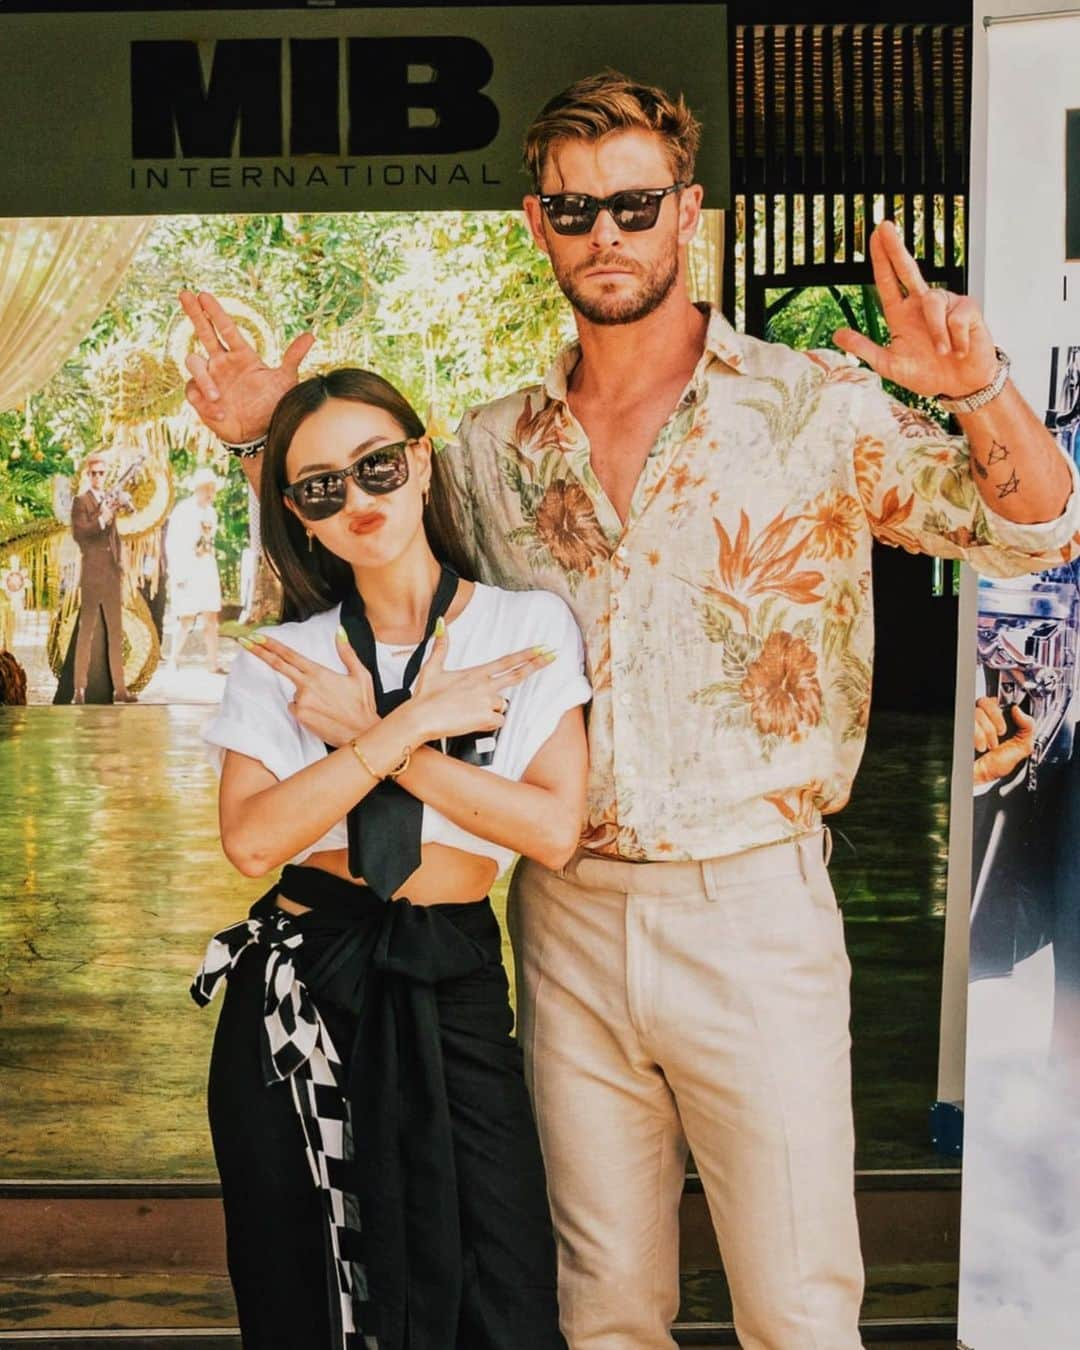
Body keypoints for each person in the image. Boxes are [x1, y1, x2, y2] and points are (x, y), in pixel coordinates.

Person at [179, 71, 1080, 1350]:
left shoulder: (811, 407)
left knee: (797, 1308)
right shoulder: (492, 450)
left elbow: (1035, 535)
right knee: (602, 1312)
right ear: (537, 226)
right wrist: (272, 429)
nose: (608, 232)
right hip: (563, 914)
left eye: (635, 204)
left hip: (753, 904)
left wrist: (979, 387)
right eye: (575, 209)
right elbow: (370, 520)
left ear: (687, 213)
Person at [191, 367, 589, 1350]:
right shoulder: (283, 657)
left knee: (498, 1288)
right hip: (301, 989)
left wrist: (379, 740)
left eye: (375, 467)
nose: (358, 500)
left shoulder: (522, 630)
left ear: (420, 462)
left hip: (449, 975)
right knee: (311, 1293)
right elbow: (253, 840)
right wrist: (407, 729)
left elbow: (550, 829)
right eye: (322, 487)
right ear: (299, 515)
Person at [69, 452, 136, 704]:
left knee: (115, 632)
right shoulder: (80, 501)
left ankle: (120, 689)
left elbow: (116, 534)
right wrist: (101, 519)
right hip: (91, 574)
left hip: (111, 573)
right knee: (86, 631)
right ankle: (79, 690)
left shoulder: (110, 499)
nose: (98, 477)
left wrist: (121, 564)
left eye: (102, 473)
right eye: (94, 473)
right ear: (88, 475)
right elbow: (80, 534)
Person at [166, 466, 223, 674]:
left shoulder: (212, 513)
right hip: (187, 568)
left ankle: (213, 663)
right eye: (206, 488)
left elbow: (209, 540)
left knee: (211, 616)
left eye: (212, 489)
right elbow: (173, 544)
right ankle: (173, 659)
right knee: (186, 619)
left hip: (206, 566)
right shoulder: (183, 510)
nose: (209, 493)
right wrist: (178, 573)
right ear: (197, 489)